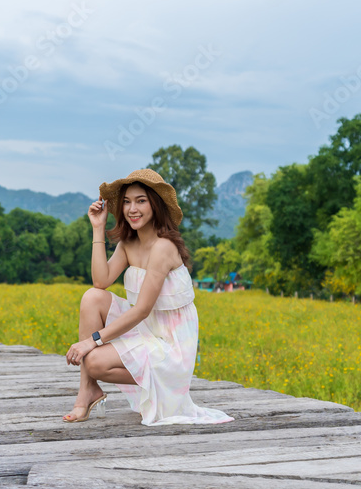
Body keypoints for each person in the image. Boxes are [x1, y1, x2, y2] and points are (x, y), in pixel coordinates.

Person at [63, 169, 234, 426]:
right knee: (92, 297)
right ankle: (87, 391)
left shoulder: (163, 247)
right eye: (127, 202)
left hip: (170, 347)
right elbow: (101, 281)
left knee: (94, 360)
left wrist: (92, 342)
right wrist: (98, 229)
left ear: (155, 204)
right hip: (146, 333)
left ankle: (163, 381)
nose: (133, 208)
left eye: (141, 200)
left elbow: (142, 309)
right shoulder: (128, 244)